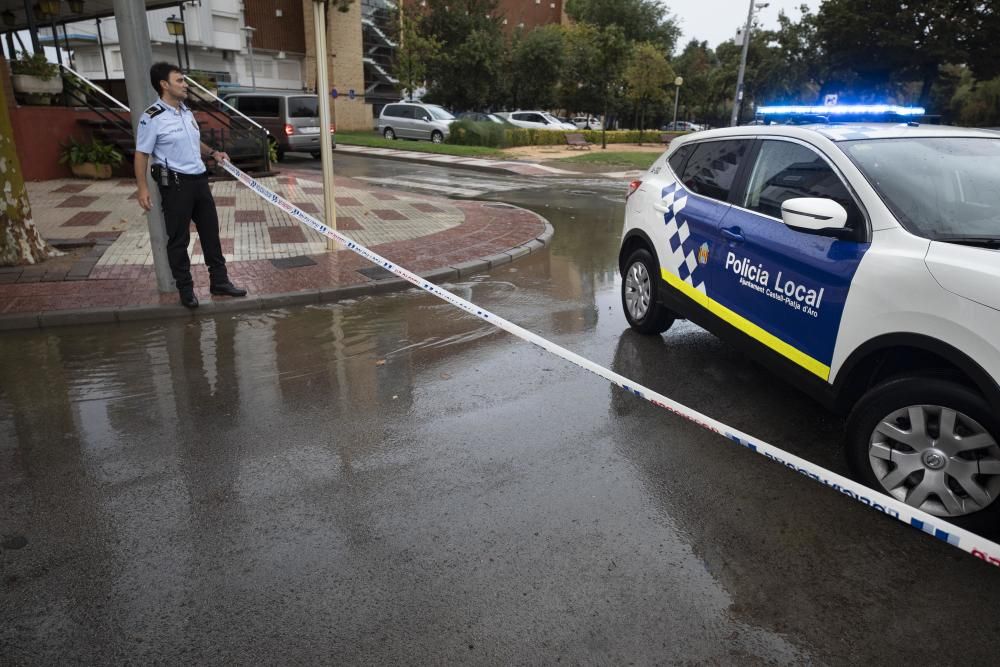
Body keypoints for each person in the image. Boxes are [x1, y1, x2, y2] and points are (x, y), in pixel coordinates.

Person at [134, 62, 247, 308]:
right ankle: (185, 289)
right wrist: (142, 188)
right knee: (178, 239)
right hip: (175, 185)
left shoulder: (185, 111)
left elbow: (194, 143)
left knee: (210, 234)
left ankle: (219, 281)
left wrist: (214, 152)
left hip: (199, 181)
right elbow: (142, 154)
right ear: (164, 85)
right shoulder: (152, 117)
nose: (185, 85)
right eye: (180, 80)